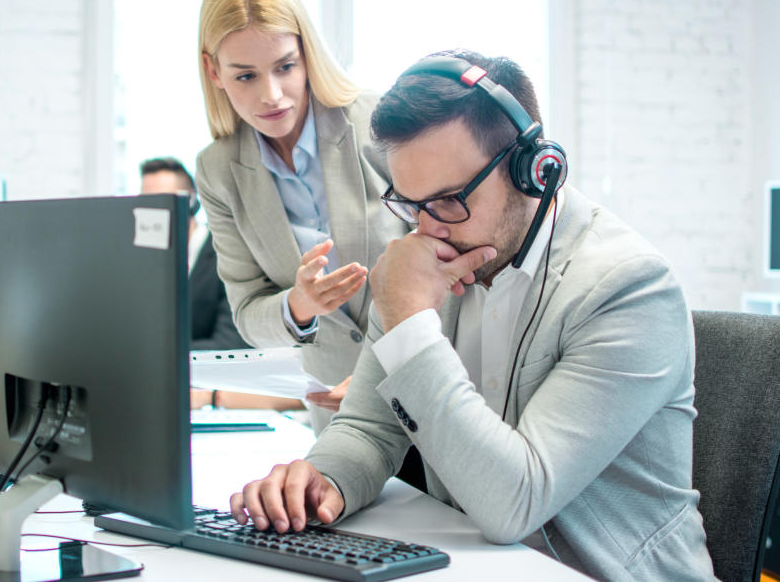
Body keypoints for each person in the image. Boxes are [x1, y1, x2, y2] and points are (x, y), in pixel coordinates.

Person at [228, 50, 716, 581]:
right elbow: (368, 428)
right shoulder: (433, 253)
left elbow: (516, 502)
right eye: (409, 205)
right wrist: (320, 483)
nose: (426, 229)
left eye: (446, 201)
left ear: (534, 171)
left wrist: (410, 322)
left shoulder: (628, 289)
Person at [194, 0, 407, 433]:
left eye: (285, 67)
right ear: (214, 71)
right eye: (245, 75)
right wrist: (299, 304)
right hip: (335, 413)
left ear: (307, 54)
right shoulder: (218, 170)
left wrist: (394, 369)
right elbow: (248, 311)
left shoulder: (375, 123)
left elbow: (448, 258)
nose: (272, 96)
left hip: (422, 385)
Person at [140, 157, 302, 412]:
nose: (153, 211)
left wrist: (150, 355)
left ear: (191, 202)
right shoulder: (147, 262)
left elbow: (229, 342)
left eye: (163, 200)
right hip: (161, 390)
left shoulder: (225, 255)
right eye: (145, 202)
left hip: (218, 394)